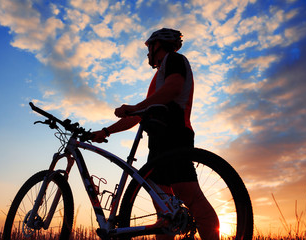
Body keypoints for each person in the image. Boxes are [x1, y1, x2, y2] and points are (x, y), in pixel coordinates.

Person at [92, 28, 219, 240]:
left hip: (174, 133)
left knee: (191, 198)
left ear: (157, 45)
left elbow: (174, 88)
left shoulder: (174, 59)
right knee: (165, 214)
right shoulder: (158, 76)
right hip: (159, 141)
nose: (147, 53)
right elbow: (138, 116)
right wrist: (106, 131)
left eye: (148, 48)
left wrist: (134, 106)